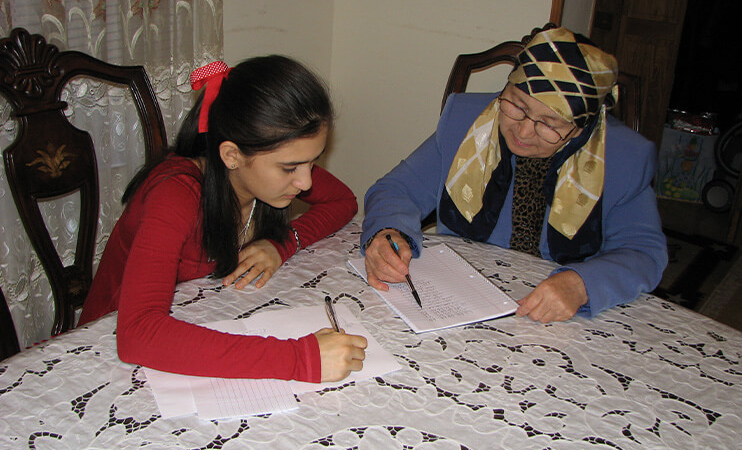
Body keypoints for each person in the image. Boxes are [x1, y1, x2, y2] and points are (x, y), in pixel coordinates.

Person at [78, 55, 367, 382]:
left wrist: (282, 243)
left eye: (312, 163)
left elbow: (342, 201)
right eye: (290, 168)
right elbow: (137, 333)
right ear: (232, 156)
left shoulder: (264, 175)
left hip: (202, 322)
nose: (306, 182)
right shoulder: (175, 196)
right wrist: (301, 359)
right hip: (107, 354)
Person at [361, 27, 667, 323]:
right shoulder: (465, 120)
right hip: (460, 295)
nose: (522, 131)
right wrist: (387, 233)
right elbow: (397, 189)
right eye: (516, 106)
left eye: (548, 124)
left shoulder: (625, 157)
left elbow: (643, 252)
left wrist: (580, 284)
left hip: (556, 318)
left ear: (581, 127)